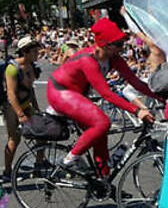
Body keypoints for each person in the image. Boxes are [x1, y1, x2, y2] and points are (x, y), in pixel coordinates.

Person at [47, 18, 158, 177]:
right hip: (60, 92)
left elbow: (136, 82)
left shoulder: (114, 58)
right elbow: (106, 93)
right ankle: (69, 160)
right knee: (102, 122)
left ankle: (105, 182)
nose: (122, 48)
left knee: (100, 136)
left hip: (77, 94)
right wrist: (136, 110)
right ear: (105, 44)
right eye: (118, 44)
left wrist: (162, 97)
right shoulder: (88, 60)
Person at [2, 36, 41, 182]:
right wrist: (20, 114)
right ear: (25, 52)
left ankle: (39, 165)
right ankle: (7, 171)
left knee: (41, 133)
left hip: (26, 105)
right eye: (34, 51)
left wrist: (36, 108)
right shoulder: (12, 69)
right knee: (14, 139)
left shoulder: (31, 66)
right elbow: (11, 95)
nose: (37, 53)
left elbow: (30, 90)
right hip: (12, 108)